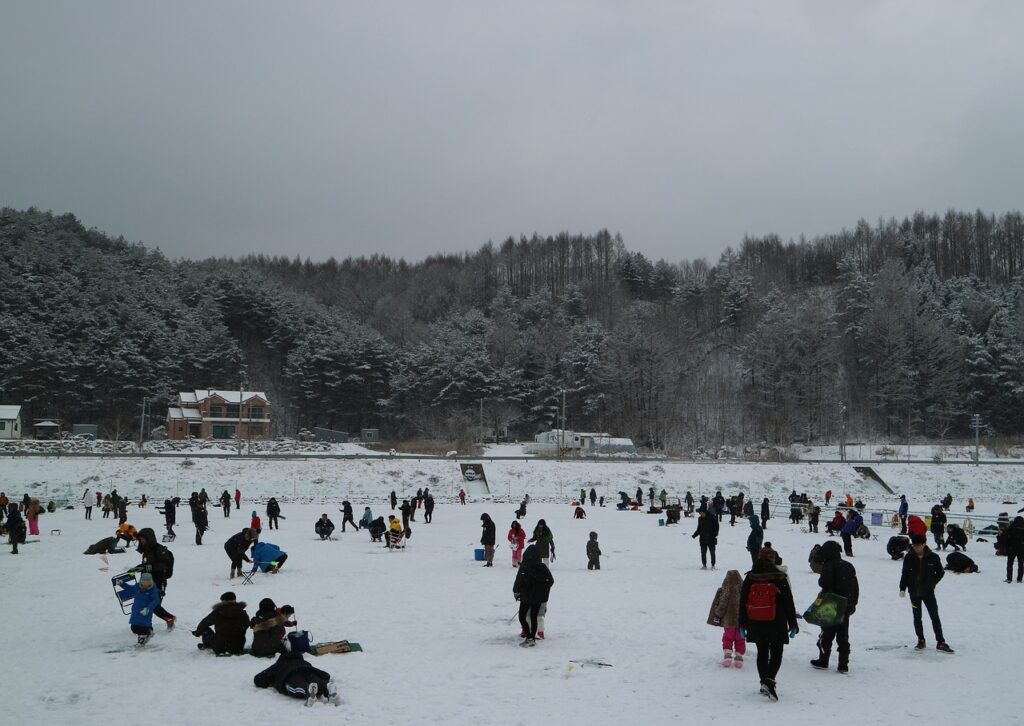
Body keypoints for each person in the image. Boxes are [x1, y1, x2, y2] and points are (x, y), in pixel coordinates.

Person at [738, 557, 799, 701]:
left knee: (762, 652)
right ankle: (769, 680)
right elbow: (789, 602)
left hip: (756, 620)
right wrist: (793, 624)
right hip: (777, 621)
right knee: (777, 653)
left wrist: (742, 623)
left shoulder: (751, 577)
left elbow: (742, 601)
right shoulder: (779, 577)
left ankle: (763, 683)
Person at [809, 540, 859, 674]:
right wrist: (853, 603)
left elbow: (824, 583)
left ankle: (823, 660)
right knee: (843, 636)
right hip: (846, 604)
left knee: (827, 633)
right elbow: (855, 585)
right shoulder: (848, 565)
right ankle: (843, 664)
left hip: (831, 604)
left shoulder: (829, 566)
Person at [899, 534, 953, 653]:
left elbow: (940, 572)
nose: (916, 548)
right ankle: (921, 640)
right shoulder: (909, 557)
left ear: (924, 544)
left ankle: (941, 642)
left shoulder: (933, 557)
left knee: (934, 616)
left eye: (918, 545)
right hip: (914, 593)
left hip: (928, 593)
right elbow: (905, 574)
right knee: (917, 617)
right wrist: (902, 588)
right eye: (914, 545)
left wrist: (932, 582)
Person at [254, 651, 340, 707]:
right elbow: (325, 675)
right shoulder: (305, 662)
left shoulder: (279, 665)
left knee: (296, 687)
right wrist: (324, 678)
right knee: (318, 682)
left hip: (290, 674)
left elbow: (259, 680)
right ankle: (327, 688)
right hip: (309, 671)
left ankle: (308, 690)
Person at [135, 527, 177, 630]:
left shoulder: (159, 549)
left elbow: (163, 566)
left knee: (153, 605)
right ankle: (168, 619)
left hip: (158, 581)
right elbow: (147, 564)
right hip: (147, 582)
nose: (141, 540)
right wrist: (139, 567)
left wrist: (147, 567)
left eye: (143, 538)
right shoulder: (146, 551)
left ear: (149, 538)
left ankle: (168, 619)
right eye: (140, 539)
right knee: (150, 605)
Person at [513, 544, 554, 647]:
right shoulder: (542, 567)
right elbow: (551, 581)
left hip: (526, 596)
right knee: (534, 616)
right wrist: (544, 589)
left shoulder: (524, 567)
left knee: (522, 617)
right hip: (538, 597)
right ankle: (532, 637)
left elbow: (518, 581)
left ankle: (529, 636)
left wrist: (516, 592)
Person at [708, 569, 746, 668]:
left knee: (728, 638)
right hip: (741, 621)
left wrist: (718, 614)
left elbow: (722, 604)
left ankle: (728, 656)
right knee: (740, 638)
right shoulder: (744, 590)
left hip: (728, 621)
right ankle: (739, 658)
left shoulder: (726, 590)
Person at [119, 572, 161, 646]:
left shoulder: (153, 590)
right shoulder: (137, 586)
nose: (145, 587)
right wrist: (122, 584)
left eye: (148, 585)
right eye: (143, 585)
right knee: (134, 627)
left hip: (145, 612)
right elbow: (130, 589)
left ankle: (146, 635)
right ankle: (144, 636)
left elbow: (156, 600)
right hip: (136, 610)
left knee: (144, 626)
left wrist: (148, 608)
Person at [998, 516, 1024, 583]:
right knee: (1021, 564)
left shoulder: (1011, 527)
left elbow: (1006, 537)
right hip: (1022, 548)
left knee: (1010, 563)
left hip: (1012, 548)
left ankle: (1009, 578)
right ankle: (1019, 579)